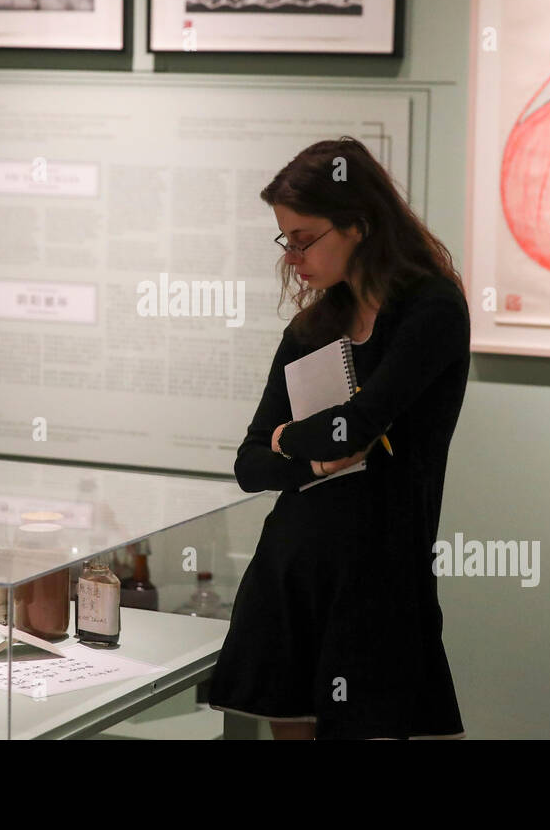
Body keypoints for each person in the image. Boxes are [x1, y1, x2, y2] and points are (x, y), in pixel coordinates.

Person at [207, 136, 471, 740]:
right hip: (293, 566)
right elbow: (250, 465)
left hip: (381, 574)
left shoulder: (431, 310)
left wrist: (288, 441)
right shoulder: (315, 325)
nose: (292, 255)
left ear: (358, 224)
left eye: (303, 238)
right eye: (286, 240)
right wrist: (317, 460)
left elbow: (358, 424)